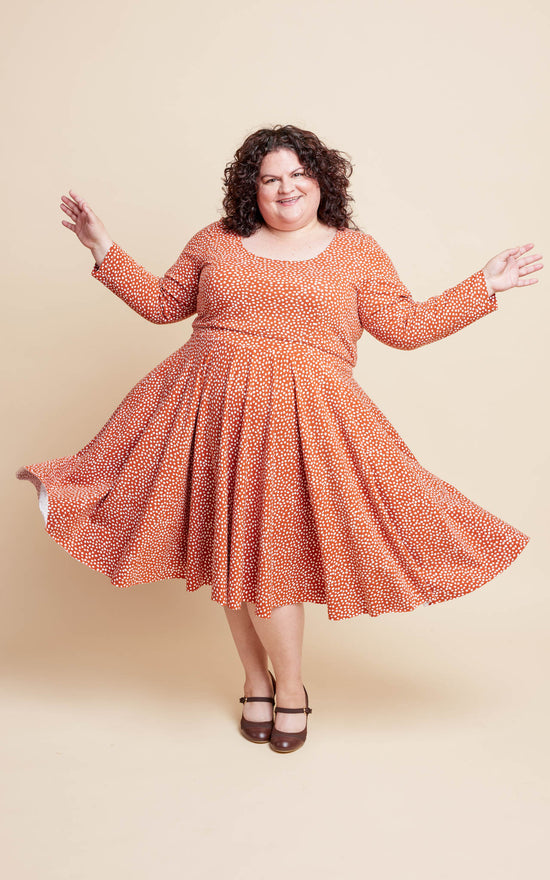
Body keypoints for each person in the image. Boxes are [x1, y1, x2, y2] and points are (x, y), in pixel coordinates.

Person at [17, 124, 543, 754]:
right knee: (229, 552)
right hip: (207, 416)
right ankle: (255, 681)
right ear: (252, 189)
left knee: (270, 559)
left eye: (298, 174)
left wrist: (483, 286)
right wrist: (103, 246)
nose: (285, 188)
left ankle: (290, 688)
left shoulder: (356, 252)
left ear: (322, 182)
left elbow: (403, 327)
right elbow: (161, 304)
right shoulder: (217, 240)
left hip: (303, 425)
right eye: (270, 179)